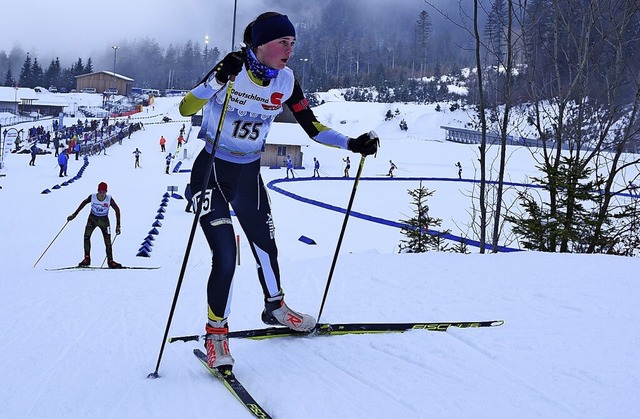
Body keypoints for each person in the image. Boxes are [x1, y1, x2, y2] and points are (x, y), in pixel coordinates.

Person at [178, 11, 379, 371]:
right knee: (225, 255)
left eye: (293, 43)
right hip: (211, 171)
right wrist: (216, 81)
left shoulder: (286, 81)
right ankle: (215, 334)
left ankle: (275, 307)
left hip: (248, 173)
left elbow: (312, 127)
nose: (289, 49)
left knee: (266, 248)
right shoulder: (231, 69)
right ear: (259, 45)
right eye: (282, 42)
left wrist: (352, 143)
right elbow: (185, 107)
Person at [66, 182, 122, 269]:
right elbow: (83, 204)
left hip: (104, 221)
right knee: (86, 237)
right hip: (92, 219)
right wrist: (74, 214)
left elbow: (117, 210)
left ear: (106, 192)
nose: (102, 193)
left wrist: (118, 225)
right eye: (100, 191)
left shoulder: (109, 199)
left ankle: (110, 261)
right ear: (98, 191)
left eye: (104, 191)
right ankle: (87, 259)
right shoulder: (92, 197)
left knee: (108, 242)